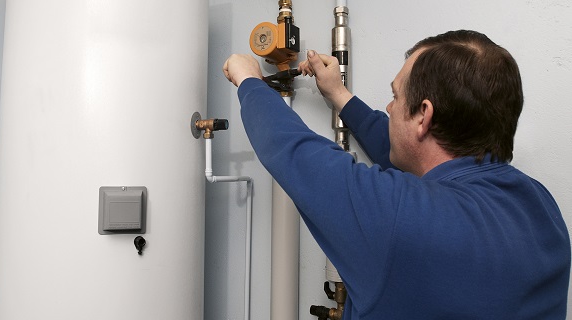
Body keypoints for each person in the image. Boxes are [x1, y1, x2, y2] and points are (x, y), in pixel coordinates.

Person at [223, 30, 570, 319]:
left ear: (424, 116)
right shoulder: (541, 207)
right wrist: (339, 94)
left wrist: (249, 80)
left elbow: (295, 152)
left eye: (395, 96)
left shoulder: (399, 220)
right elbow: (412, 156)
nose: (389, 108)